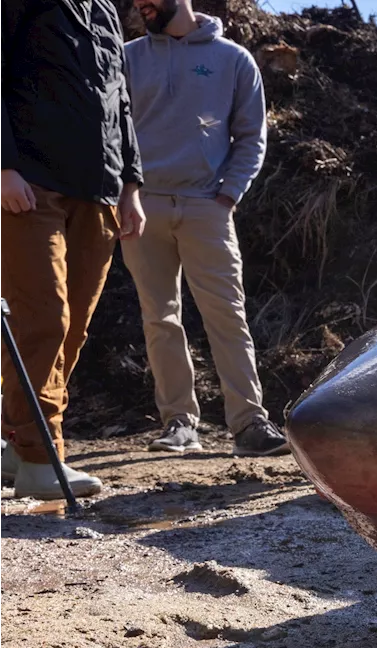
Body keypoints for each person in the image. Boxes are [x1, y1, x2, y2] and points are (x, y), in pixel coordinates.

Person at [121, 0, 289, 456]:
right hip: (143, 206)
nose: (142, 6)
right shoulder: (128, 57)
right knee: (159, 318)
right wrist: (126, 191)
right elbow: (113, 130)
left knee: (227, 315)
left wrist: (228, 195)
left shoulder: (232, 60)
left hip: (207, 206)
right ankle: (180, 424)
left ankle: (250, 424)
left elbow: (252, 135)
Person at [0, 0, 147, 500]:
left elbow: (119, 100)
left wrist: (131, 183)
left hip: (99, 188)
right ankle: (43, 459)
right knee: (44, 317)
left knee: (74, 327)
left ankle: (16, 444)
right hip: (29, 182)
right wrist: (2, 167)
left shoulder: (105, 10)